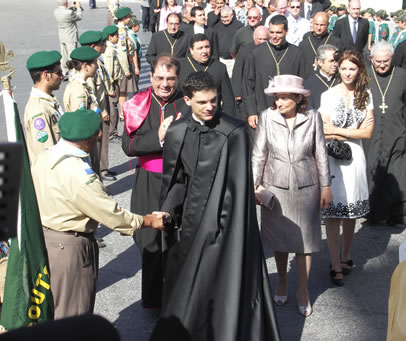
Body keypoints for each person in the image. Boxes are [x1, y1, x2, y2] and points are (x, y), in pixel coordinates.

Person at [151, 71, 280, 341]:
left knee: (220, 283)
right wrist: (167, 210)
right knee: (188, 286)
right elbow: (176, 180)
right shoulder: (177, 131)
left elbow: (237, 190)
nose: (210, 107)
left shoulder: (234, 132)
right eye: (202, 102)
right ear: (187, 100)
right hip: (188, 224)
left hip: (224, 226)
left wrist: (220, 227)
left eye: (214, 100)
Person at [31, 109, 168, 319]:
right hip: (70, 247)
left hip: (45, 240)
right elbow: (110, 213)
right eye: (97, 135)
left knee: (53, 307)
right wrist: (147, 221)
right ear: (89, 140)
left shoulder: (45, 156)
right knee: (74, 313)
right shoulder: (79, 173)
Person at [252, 74, 331, 317]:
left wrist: (326, 186)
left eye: (285, 97)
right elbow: (259, 154)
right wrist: (254, 186)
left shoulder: (312, 117)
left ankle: (303, 290)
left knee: (304, 243)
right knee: (280, 240)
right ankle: (282, 281)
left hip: (307, 186)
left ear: (298, 98)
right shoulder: (267, 117)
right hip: (275, 187)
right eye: (277, 97)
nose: (279, 102)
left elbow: (320, 153)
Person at [121, 56, 190, 309]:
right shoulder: (138, 103)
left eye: (170, 79)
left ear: (178, 79)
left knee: (176, 238)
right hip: (148, 180)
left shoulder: (187, 103)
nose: (165, 84)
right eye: (159, 78)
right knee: (149, 239)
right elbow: (128, 146)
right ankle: (152, 299)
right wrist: (158, 137)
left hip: (178, 180)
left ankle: (176, 298)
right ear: (151, 78)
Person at [320, 50, 374, 287]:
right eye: (343, 68)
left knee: (351, 210)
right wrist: (353, 132)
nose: (347, 73)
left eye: (352, 68)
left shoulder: (366, 94)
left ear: (359, 69)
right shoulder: (328, 95)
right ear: (338, 69)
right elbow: (324, 129)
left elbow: (368, 132)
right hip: (333, 157)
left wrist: (340, 132)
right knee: (333, 213)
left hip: (356, 158)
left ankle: (346, 255)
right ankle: (333, 263)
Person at [363, 41, 406, 225]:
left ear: (392, 58)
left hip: (397, 132)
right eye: (378, 61)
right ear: (371, 59)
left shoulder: (402, 75)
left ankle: (395, 214)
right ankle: (371, 213)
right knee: (372, 171)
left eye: (385, 61)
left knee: (395, 174)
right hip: (371, 134)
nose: (381, 65)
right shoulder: (365, 76)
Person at [243, 14, 305, 129]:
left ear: (287, 31)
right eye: (271, 32)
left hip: (289, 111)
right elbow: (248, 83)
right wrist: (251, 112)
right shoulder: (256, 53)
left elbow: (302, 83)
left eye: (279, 33)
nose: (274, 36)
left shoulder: (296, 53)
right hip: (262, 109)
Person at [79, 31, 117, 182]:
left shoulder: (97, 61)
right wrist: (103, 111)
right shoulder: (88, 66)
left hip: (102, 104)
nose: (104, 46)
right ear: (93, 46)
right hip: (98, 110)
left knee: (102, 142)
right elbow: (92, 94)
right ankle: (100, 170)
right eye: (102, 44)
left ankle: (103, 167)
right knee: (97, 144)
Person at [62, 46, 101, 173]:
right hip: (84, 142)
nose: (97, 66)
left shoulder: (82, 85)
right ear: (85, 66)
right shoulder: (78, 90)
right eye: (95, 63)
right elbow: (78, 122)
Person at [24, 50, 64, 164]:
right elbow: (46, 157)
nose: (62, 76)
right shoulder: (39, 110)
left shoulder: (48, 101)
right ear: (46, 75)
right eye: (59, 72)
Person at [179, 34, 235, 114]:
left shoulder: (219, 67)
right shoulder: (181, 66)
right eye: (200, 48)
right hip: (186, 116)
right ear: (191, 50)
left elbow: (228, 99)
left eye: (207, 47)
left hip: (211, 115)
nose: (204, 51)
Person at [232, 25, 268, 120]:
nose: (262, 42)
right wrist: (237, 92)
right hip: (247, 87)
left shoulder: (270, 49)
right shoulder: (245, 50)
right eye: (259, 39)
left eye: (265, 39)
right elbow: (237, 70)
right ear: (254, 38)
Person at [299, 11, 341, 78]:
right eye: (316, 24)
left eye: (322, 25)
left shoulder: (335, 42)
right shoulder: (304, 42)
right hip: (308, 79)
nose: (318, 28)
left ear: (328, 25)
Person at [102, 25, 124, 142]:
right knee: (113, 108)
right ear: (110, 37)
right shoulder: (110, 50)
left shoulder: (111, 48)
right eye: (116, 36)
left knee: (112, 107)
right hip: (112, 83)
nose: (118, 38)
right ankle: (112, 133)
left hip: (113, 82)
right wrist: (110, 88)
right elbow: (109, 71)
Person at [115, 8, 138, 113]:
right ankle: (123, 112)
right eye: (128, 17)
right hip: (124, 65)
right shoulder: (121, 32)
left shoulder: (123, 29)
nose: (130, 19)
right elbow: (122, 52)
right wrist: (126, 70)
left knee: (124, 91)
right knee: (123, 91)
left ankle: (124, 111)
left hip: (126, 63)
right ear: (123, 18)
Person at [54, 0, 83, 79]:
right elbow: (79, 16)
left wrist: (71, 8)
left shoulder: (56, 11)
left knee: (64, 55)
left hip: (62, 36)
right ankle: (72, 71)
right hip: (70, 36)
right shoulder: (69, 13)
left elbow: (68, 15)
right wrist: (78, 8)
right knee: (71, 55)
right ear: (66, 3)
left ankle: (64, 71)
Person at [304, 44, 338, 110]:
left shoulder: (341, 81)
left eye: (336, 60)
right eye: (331, 61)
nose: (335, 64)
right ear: (320, 62)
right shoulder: (308, 84)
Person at [215, 6, 243, 77]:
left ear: (232, 16)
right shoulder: (217, 27)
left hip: (232, 61)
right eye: (222, 17)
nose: (224, 19)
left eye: (226, 17)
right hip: (220, 60)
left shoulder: (239, 26)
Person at [128, 17, 143, 86]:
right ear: (134, 27)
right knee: (135, 81)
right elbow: (134, 53)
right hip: (134, 61)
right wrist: (136, 67)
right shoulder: (132, 37)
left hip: (135, 60)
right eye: (138, 25)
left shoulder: (132, 35)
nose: (139, 27)